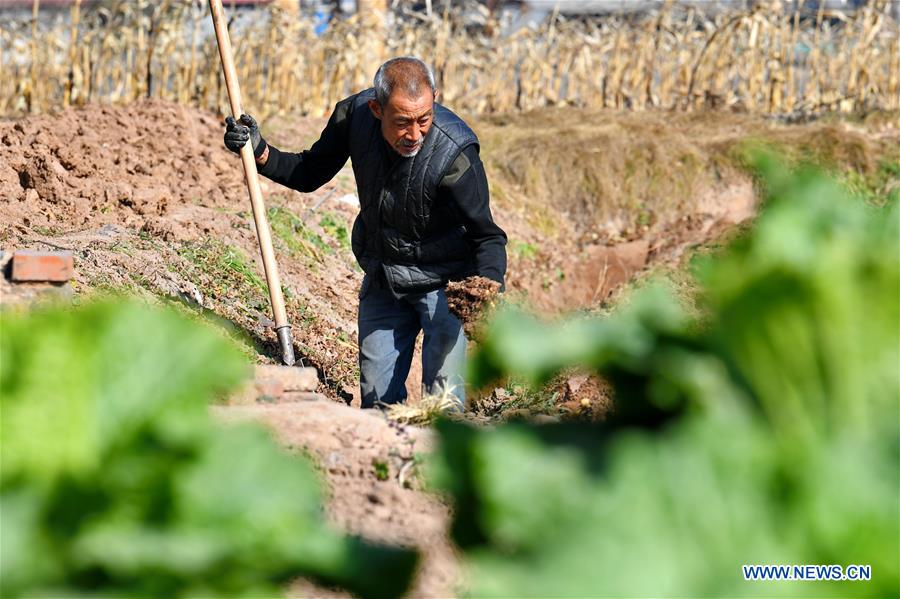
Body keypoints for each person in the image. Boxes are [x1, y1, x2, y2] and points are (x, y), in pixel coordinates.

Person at [224, 56, 507, 409]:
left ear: (434, 100)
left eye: (424, 119)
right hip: (385, 277)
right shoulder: (354, 117)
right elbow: (308, 172)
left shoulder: (455, 153)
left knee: (444, 403)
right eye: (402, 123)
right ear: (377, 109)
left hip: (444, 283)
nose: (414, 134)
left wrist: (486, 295)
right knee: (377, 403)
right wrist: (259, 151)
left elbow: (487, 235)